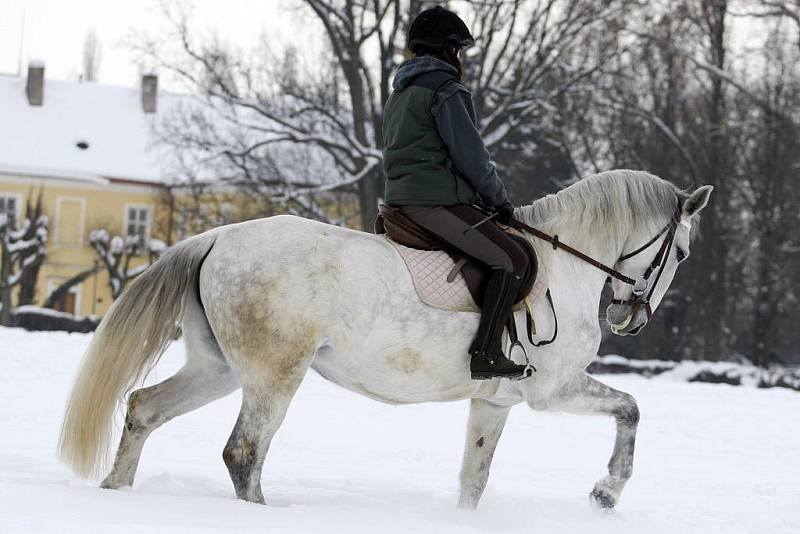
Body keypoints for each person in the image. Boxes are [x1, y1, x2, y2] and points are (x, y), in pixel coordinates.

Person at [381, 5, 529, 380]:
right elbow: (472, 157)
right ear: (447, 49)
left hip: (399, 200)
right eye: (458, 50)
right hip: (432, 202)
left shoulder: (400, 92)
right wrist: (499, 201)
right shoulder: (446, 90)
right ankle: (486, 352)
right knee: (512, 259)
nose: (459, 57)